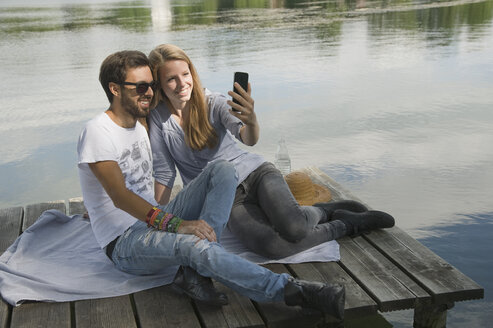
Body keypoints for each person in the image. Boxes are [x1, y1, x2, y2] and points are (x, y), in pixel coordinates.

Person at [77, 49, 346, 319]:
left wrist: (96, 206)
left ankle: (194, 272)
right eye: (142, 86)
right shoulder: (97, 131)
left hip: (149, 219)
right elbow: (121, 196)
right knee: (194, 246)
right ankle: (296, 292)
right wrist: (177, 225)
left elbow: (138, 182)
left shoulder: (140, 124)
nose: (149, 92)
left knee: (223, 168)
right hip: (125, 243)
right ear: (114, 89)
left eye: (152, 85)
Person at [147, 44, 395, 259]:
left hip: (256, 173)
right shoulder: (157, 119)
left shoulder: (213, 102)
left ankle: (322, 210)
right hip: (227, 197)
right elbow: (164, 174)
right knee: (270, 246)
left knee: (295, 229)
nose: (182, 84)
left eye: (185, 74)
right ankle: (345, 223)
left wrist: (251, 120)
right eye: (171, 79)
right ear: (159, 84)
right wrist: (157, 220)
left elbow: (248, 139)